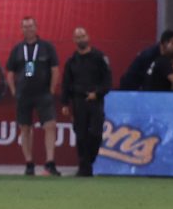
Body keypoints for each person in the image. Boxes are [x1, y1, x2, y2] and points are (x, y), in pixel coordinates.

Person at [7, 16, 61, 175]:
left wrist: (52, 89)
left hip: (43, 93)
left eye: (31, 26)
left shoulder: (47, 47)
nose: (28, 29)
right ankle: (29, 163)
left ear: (36, 28)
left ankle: (50, 162)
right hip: (23, 94)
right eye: (25, 27)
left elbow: (55, 69)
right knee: (25, 128)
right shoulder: (17, 49)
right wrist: (14, 91)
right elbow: (10, 72)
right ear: (21, 29)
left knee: (50, 125)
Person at [61, 28, 112, 176]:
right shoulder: (71, 61)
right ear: (73, 40)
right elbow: (66, 82)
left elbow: (107, 80)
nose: (81, 39)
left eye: (82, 36)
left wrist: (97, 93)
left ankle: (88, 161)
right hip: (78, 101)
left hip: (95, 100)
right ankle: (84, 167)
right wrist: (65, 103)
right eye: (77, 37)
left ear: (88, 37)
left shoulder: (99, 57)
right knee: (81, 135)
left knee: (96, 133)